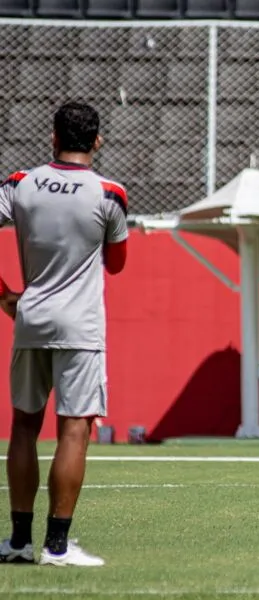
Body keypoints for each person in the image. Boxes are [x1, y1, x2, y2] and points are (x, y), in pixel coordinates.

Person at [0, 102, 128, 566]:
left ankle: (17, 541)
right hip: (80, 325)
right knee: (75, 429)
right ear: (96, 140)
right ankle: (56, 546)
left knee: (23, 428)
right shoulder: (110, 193)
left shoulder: (21, 183)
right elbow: (116, 264)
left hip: (29, 317)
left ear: (52, 136)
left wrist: (3, 296)